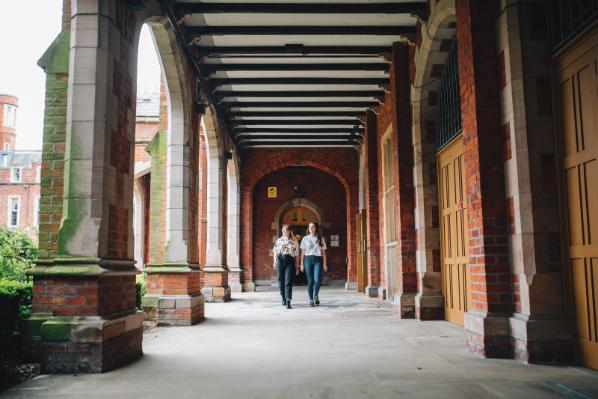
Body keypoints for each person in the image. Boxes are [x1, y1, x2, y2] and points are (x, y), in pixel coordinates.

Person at [300, 221, 327, 307]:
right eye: (309, 227)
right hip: (308, 259)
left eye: (313, 227)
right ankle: (311, 299)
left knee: (317, 280)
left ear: (316, 228)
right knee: (310, 281)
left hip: (318, 259)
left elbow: (323, 252)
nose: (311, 229)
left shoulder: (321, 238)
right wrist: (301, 264)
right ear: (308, 229)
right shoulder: (305, 239)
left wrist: (325, 264)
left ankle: (316, 295)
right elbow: (302, 252)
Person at [272, 224, 300, 309]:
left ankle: (288, 300)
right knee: (280, 280)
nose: (284, 231)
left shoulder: (294, 241)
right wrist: (274, 261)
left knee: (288, 281)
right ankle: (283, 297)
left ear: (289, 231)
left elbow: (297, 254)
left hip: (290, 260)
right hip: (280, 259)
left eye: (286, 230)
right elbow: (275, 252)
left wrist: (297, 265)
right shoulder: (279, 240)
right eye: (283, 230)